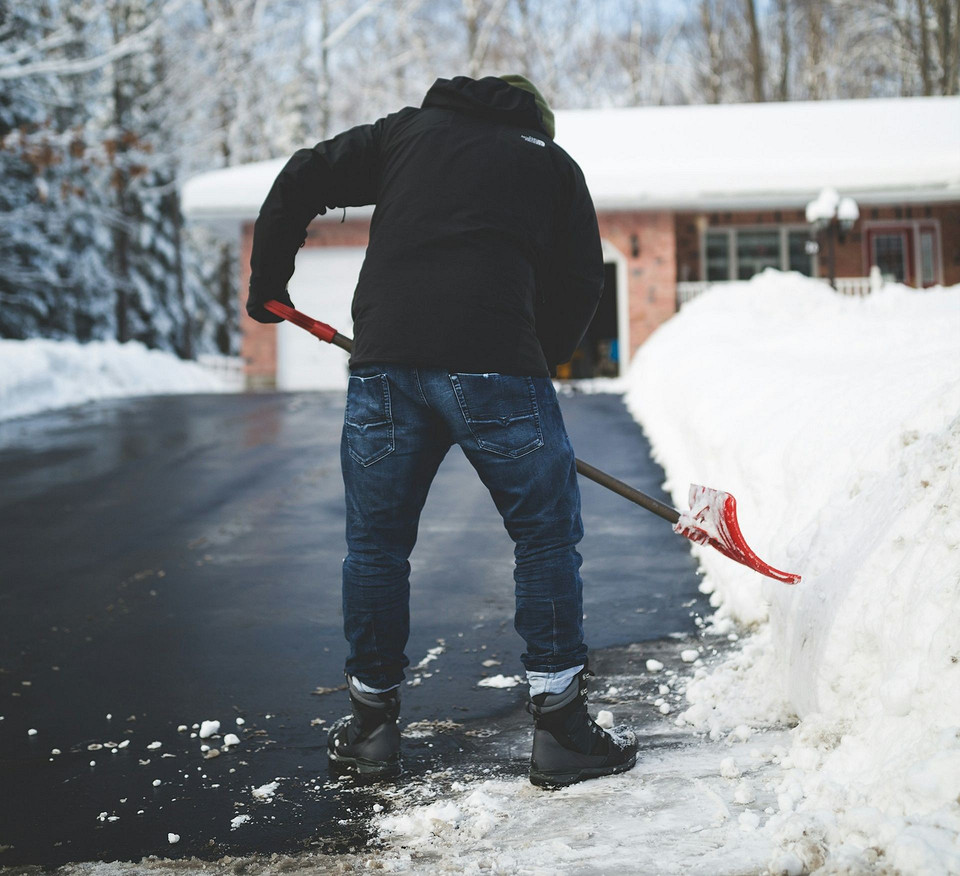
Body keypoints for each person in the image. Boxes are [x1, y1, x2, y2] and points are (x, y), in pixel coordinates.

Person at [247, 74, 637, 788]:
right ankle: (560, 731)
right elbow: (582, 278)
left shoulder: (405, 134)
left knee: (376, 546)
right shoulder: (550, 164)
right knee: (545, 537)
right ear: (538, 121)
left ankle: (370, 728)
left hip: (386, 363)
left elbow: (304, 172)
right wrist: (527, 356)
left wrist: (267, 278)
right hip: (497, 364)